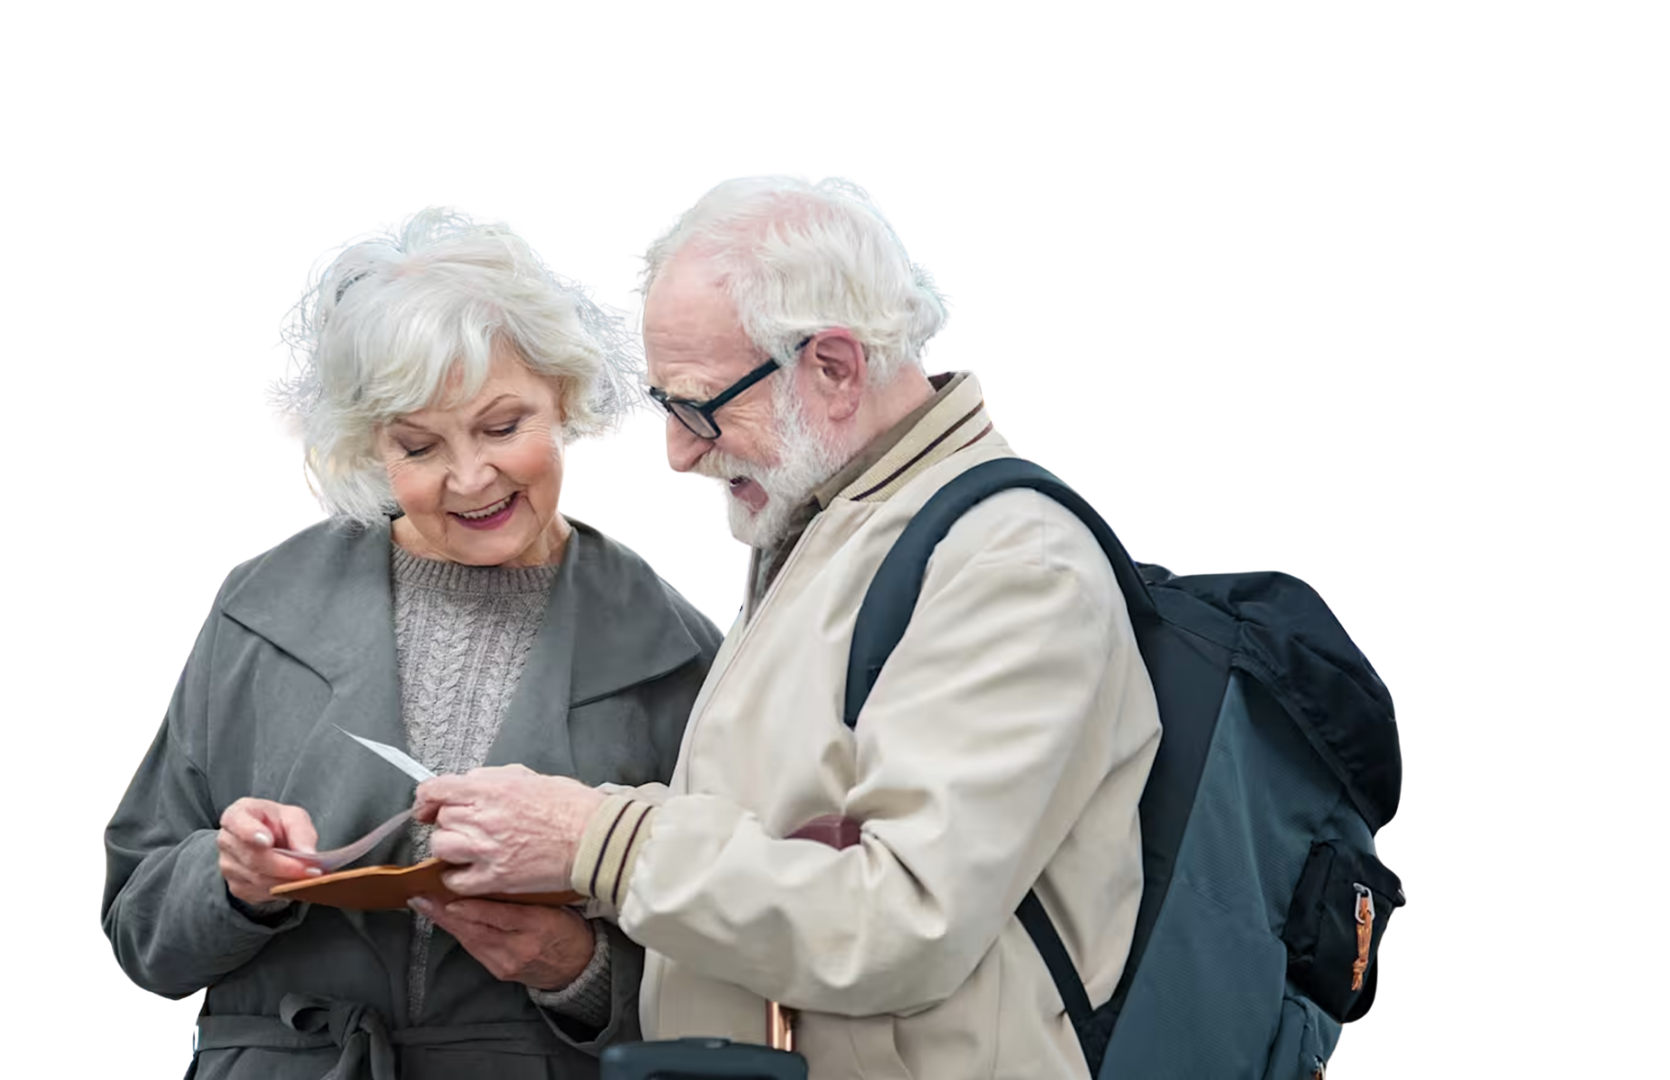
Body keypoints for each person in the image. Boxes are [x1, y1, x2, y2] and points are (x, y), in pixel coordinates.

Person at [409, 173, 1164, 1078]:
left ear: (835, 368)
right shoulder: (842, 524)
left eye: (699, 406)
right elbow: (777, 845)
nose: (682, 451)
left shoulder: (1009, 562)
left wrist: (595, 841)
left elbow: (900, 923)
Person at [100, 205, 723, 1079]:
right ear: (365, 446)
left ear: (567, 398)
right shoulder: (259, 606)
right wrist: (231, 880)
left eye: (504, 426)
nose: (471, 477)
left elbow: (739, 962)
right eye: (419, 445)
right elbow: (138, 935)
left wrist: (577, 972)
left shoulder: (676, 647)